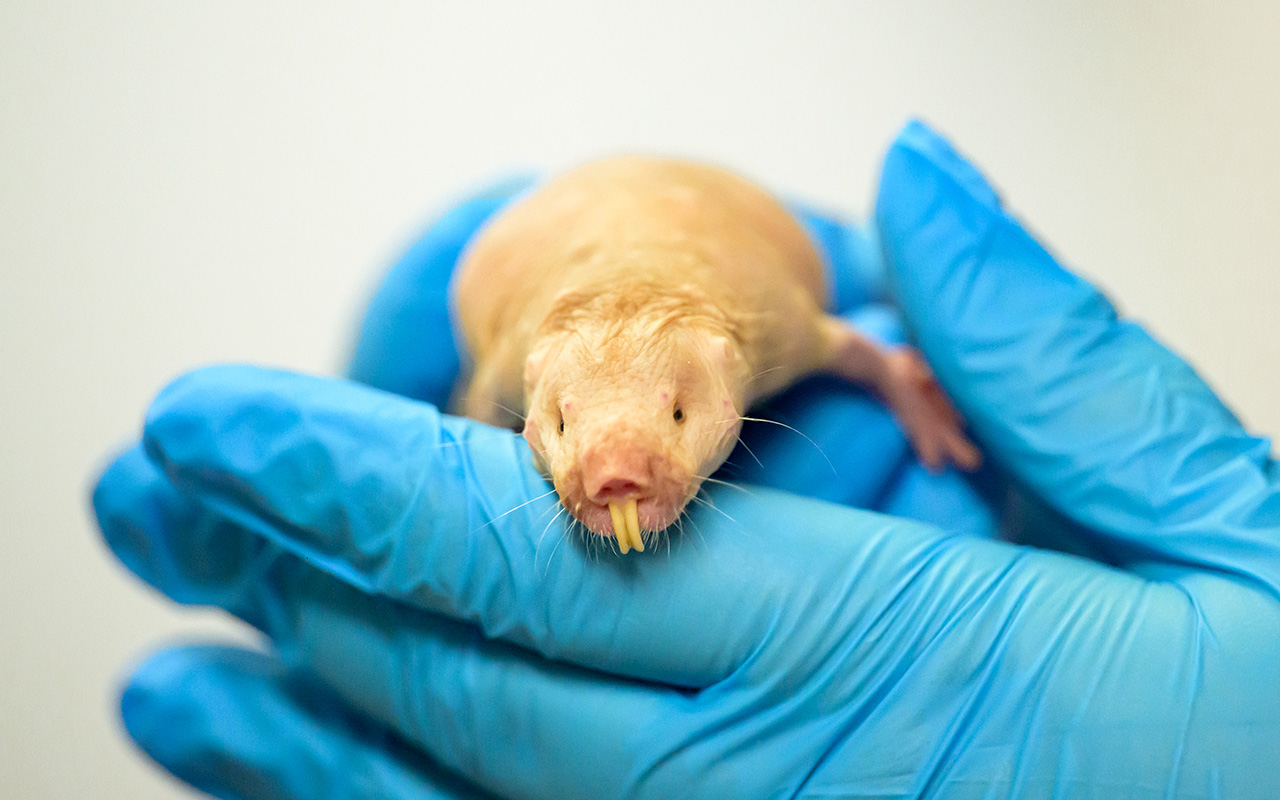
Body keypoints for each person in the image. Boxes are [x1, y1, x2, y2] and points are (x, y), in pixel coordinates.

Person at [93, 121, 1280, 799]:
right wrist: (479, 427)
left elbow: (854, 350)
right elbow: (469, 414)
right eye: (558, 431)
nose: (609, 465)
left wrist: (913, 391)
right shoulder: (515, 367)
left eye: (659, 423)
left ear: (719, 368)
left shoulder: (758, 323)